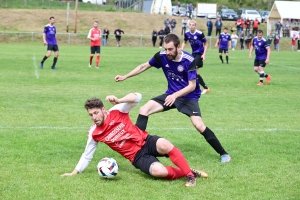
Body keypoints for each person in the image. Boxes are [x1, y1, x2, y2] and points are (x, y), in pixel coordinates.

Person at [114, 34, 231, 163]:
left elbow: (192, 86)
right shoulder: (162, 56)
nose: (167, 52)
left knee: (199, 125)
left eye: (170, 49)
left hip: (189, 97)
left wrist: (175, 95)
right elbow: (145, 65)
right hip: (170, 94)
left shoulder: (189, 60)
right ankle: (135, 149)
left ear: (178, 47)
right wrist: (126, 76)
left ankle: (223, 154)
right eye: (166, 49)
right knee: (144, 109)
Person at [60, 92, 208, 187]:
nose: (94, 117)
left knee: (164, 143)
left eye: (96, 113)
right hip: (137, 157)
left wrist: (119, 100)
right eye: (91, 115)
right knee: (159, 172)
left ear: (104, 109)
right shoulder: (94, 133)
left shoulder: (117, 110)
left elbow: (137, 97)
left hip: (145, 140)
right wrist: (74, 172)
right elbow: (87, 154)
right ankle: (188, 171)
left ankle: (189, 176)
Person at [181, 20, 210, 94]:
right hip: (193, 54)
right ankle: (201, 88)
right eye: (190, 25)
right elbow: (184, 41)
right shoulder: (187, 33)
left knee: (193, 70)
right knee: (195, 72)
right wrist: (181, 49)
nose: (191, 26)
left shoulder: (199, 33)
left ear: (195, 26)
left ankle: (203, 88)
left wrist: (204, 54)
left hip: (199, 54)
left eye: (193, 25)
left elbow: (206, 44)